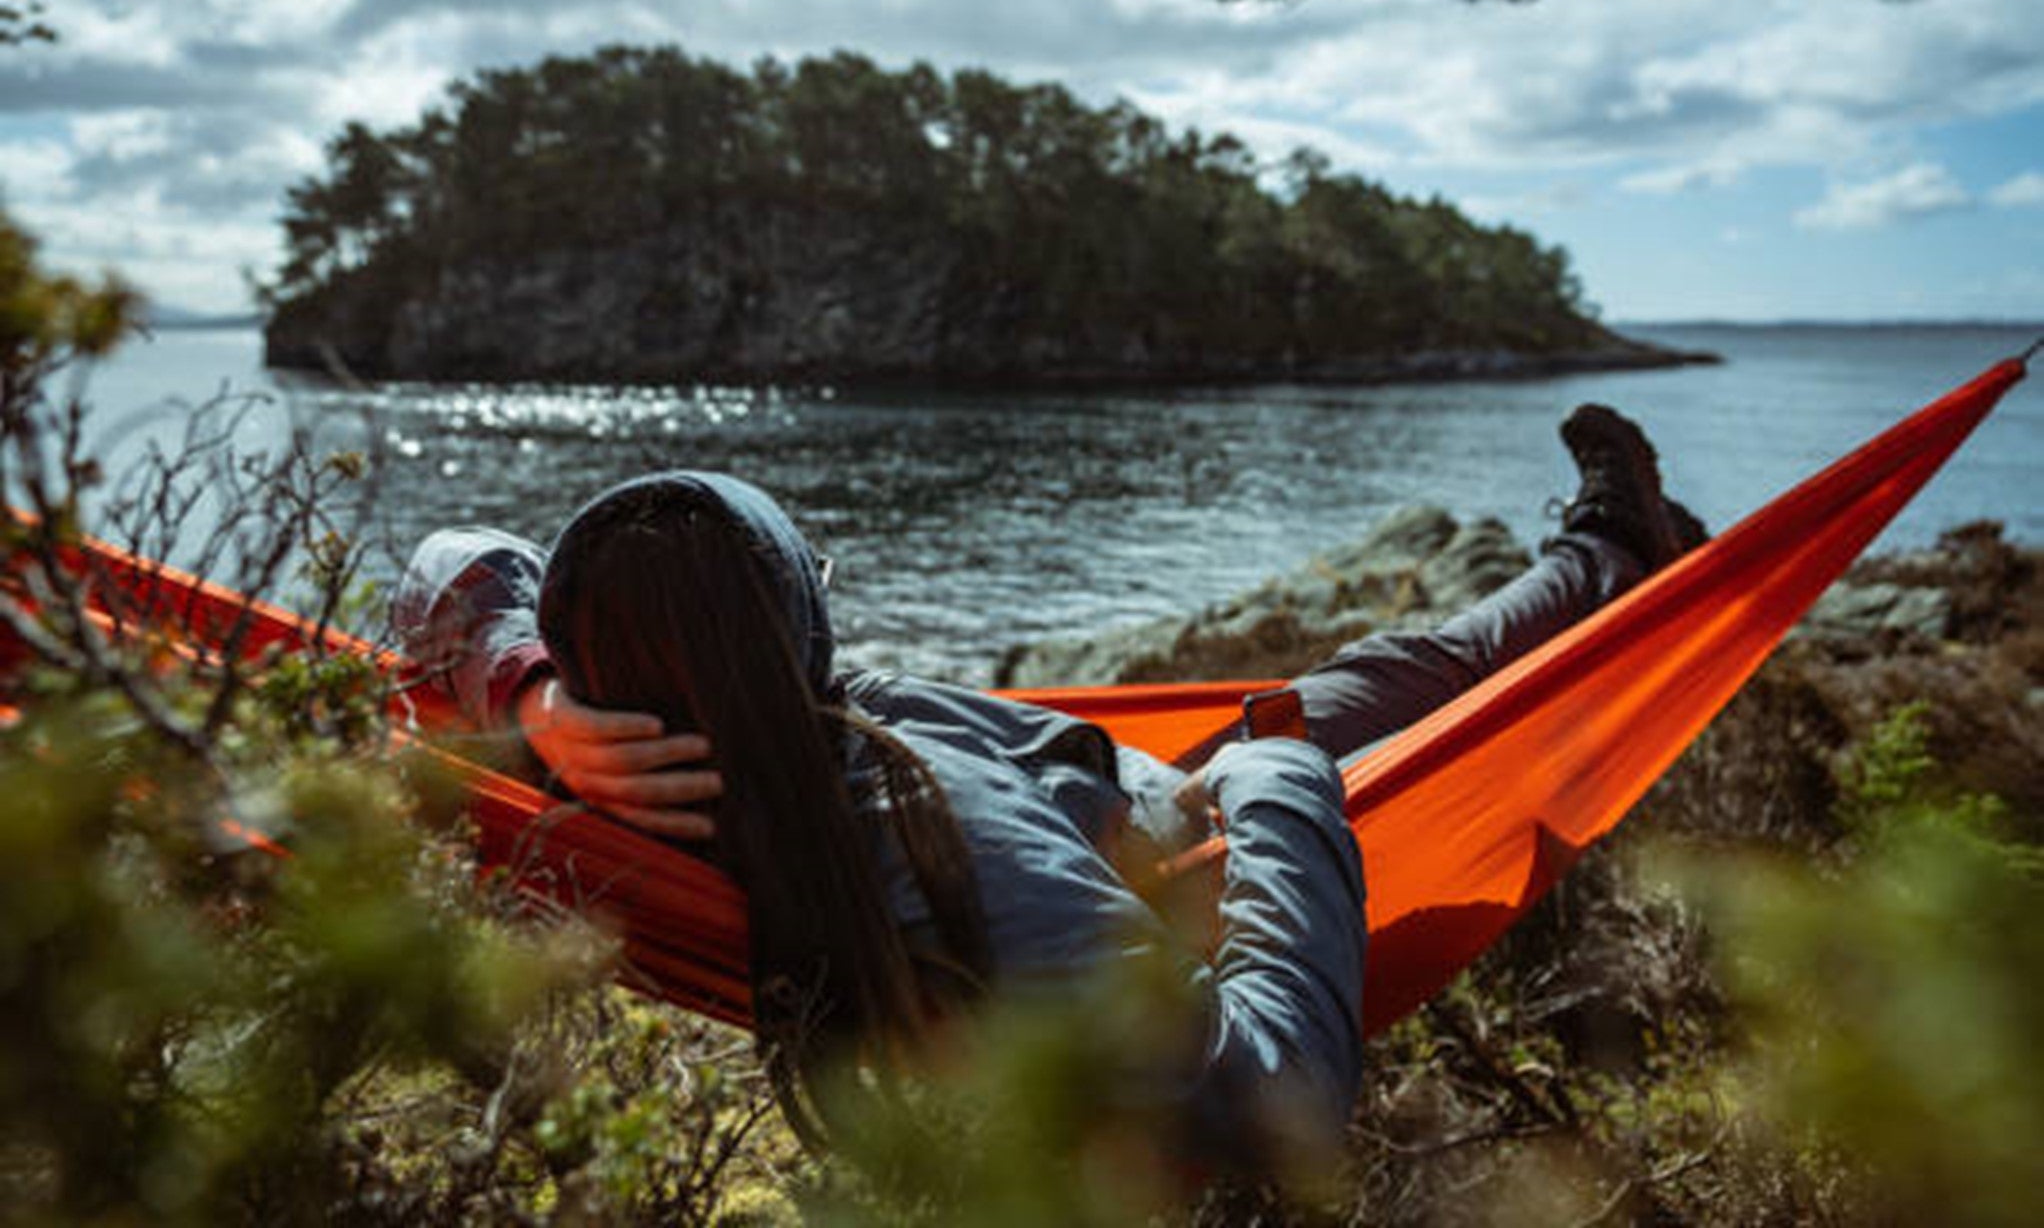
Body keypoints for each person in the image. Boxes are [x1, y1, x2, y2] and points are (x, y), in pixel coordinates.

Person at [393, 403, 1701, 1165]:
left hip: (1097, 783)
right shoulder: (936, 841)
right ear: (793, 630)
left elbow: (447, 567)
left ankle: (1608, 549)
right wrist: (1283, 778)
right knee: (1395, 693)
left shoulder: (609, 740)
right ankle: (1613, 557)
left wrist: (533, 697)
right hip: (1201, 854)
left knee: (1414, 660)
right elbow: (1272, 1094)